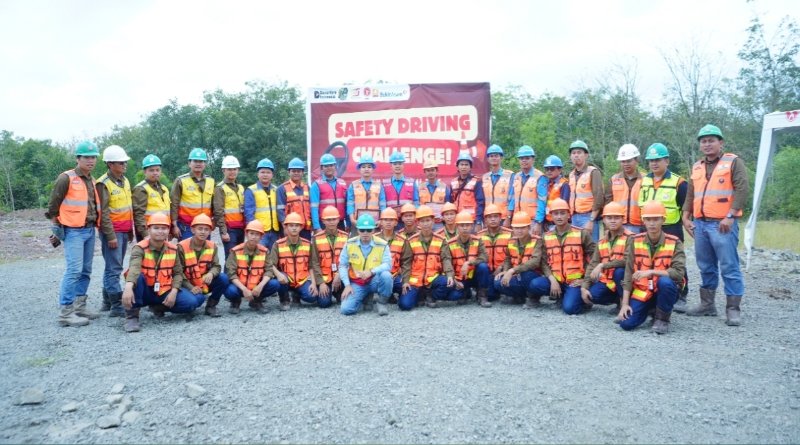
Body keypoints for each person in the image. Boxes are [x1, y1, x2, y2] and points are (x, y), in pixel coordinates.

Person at [683, 125, 748, 326]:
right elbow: (691, 195)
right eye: (703, 141)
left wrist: (730, 216)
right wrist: (686, 217)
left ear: (721, 142)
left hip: (723, 224)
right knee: (705, 266)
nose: (707, 144)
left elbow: (742, 189)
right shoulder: (697, 166)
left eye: (711, 140)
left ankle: (733, 309)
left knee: (729, 265)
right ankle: (707, 305)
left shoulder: (733, 162)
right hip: (700, 224)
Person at [46, 141, 102, 327]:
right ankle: (66, 313)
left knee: (85, 271)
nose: (90, 160)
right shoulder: (66, 178)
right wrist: (56, 229)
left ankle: (80, 307)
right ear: (78, 159)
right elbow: (53, 206)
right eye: (86, 157)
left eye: (93, 157)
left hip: (89, 230)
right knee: (73, 271)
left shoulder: (92, 181)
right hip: (73, 231)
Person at [121, 214, 205, 332]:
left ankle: (159, 308)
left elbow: (178, 273)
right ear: (149, 229)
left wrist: (174, 292)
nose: (160, 231)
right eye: (156, 228)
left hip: (163, 291)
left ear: (168, 231)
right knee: (138, 277)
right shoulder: (139, 248)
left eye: (164, 228)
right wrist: (128, 287)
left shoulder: (173, 249)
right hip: (145, 291)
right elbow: (134, 268)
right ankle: (132, 317)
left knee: (194, 301)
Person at [618, 201, 686, 334]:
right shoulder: (634, 240)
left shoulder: (674, 242)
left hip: (665, 290)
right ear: (643, 221)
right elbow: (628, 273)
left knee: (665, 282)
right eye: (648, 219)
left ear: (663, 220)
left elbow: (678, 273)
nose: (652, 223)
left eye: (656, 219)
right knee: (626, 324)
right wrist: (624, 304)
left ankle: (662, 319)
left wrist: (651, 271)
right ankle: (650, 310)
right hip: (643, 292)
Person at [639, 143, 690, 311]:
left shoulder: (679, 182)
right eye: (651, 160)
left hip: (671, 227)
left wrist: (686, 222)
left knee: (676, 262)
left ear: (667, 161)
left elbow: (687, 206)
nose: (654, 163)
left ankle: (681, 294)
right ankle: (649, 292)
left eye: (658, 160)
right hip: (648, 226)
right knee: (647, 260)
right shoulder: (644, 180)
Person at [529, 199, 596, 314]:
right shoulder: (546, 236)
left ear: (568, 215)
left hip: (574, 281)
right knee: (535, 284)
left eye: (562, 213)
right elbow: (543, 262)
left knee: (570, 309)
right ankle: (561, 296)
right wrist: (552, 279)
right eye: (556, 213)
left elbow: (595, 256)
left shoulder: (581, 233)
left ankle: (578, 300)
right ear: (551, 216)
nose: (559, 217)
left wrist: (585, 279)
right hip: (556, 280)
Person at [96, 145, 133, 317]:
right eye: (121, 162)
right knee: (114, 269)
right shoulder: (103, 184)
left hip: (123, 230)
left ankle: (107, 301)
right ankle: (116, 305)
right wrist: (110, 235)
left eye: (125, 161)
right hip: (113, 233)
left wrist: (130, 230)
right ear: (110, 164)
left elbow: (127, 207)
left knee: (112, 267)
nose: (125, 164)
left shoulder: (124, 180)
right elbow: (103, 212)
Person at [399, 205, 455, 310]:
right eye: (422, 221)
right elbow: (406, 263)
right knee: (405, 305)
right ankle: (420, 294)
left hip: (433, 278)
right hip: (415, 280)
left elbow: (446, 259)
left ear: (433, 221)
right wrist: (406, 281)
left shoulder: (441, 240)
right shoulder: (411, 240)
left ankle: (431, 296)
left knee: (448, 283)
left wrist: (450, 275)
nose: (425, 224)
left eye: (428, 220)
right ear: (418, 223)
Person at [580, 202, 633, 311]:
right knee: (592, 296)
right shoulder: (601, 241)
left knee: (619, 272)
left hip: (627, 280)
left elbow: (627, 261)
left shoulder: (630, 237)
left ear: (622, 219)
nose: (613, 221)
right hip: (609, 281)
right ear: (603, 220)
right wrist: (584, 287)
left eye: (616, 217)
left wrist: (603, 265)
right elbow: (592, 264)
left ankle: (625, 302)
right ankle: (617, 300)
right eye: (609, 218)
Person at [339, 214, 394, 316]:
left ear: (373, 230)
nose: (365, 233)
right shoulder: (349, 244)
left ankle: (382, 302)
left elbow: (388, 265)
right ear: (357, 230)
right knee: (346, 310)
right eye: (362, 230)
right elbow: (342, 265)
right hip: (357, 282)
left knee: (386, 276)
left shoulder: (382, 244)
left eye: (369, 230)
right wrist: (347, 285)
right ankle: (366, 297)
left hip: (374, 280)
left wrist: (371, 271)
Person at [271, 212, 328, 308]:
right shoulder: (278, 244)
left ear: (301, 227)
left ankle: (296, 295)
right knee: (279, 280)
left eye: (297, 225)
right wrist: (278, 275)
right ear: (286, 227)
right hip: (286, 279)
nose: (294, 228)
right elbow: (270, 264)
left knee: (312, 297)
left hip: (302, 280)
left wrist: (313, 283)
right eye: (291, 225)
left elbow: (311, 266)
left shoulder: (307, 244)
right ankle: (284, 299)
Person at [177, 214, 230, 317]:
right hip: (187, 284)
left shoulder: (212, 246)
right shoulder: (181, 247)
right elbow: (177, 272)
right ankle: (163, 307)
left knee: (223, 278)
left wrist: (211, 273)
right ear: (193, 230)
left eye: (206, 229)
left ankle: (211, 306)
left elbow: (217, 266)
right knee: (196, 301)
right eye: (200, 229)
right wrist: (191, 287)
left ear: (210, 232)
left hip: (204, 282)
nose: (203, 232)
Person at [224, 220, 281, 314]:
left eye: (257, 234)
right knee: (229, 290)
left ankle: (256, 301)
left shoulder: (265, 251)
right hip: (240, 287)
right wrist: (244, 289)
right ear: (246, 234)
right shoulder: (235, 251)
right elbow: (231, 273)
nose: (254, 237)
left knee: (274, 284)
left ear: (261, 237)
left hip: (256, 287)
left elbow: (269, 271)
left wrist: (260, 286)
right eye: (251, 233)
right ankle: (236, 301)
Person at [495, 211, 545, 306]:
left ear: (529, 228)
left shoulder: (537, 240)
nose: (519, 230)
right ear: (513, 229)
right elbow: (508, 258)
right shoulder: (511, 241)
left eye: (523, 227)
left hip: (532, 274)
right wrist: (505, 271)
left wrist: (512, 270)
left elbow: (535, 262)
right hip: (517, 274)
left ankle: (533, 297)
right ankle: (519, 296)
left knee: (527, 275)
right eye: (517, 228)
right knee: (498, 282)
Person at [447, 211, 492, 307]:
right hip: (460, 278)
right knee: (455, 296)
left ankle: (482, 296)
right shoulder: (449, 243)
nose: (465, 228)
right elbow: (447, 264)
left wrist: (469, 263)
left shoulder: (478, 240)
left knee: (483, 266)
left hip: (475, 276)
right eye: (462, 225)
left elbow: (485, 257)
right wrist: (454, 280)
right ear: (457, 226)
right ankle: (466, 292)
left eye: (467, 225)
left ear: (472, 226)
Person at [171, 148, 215, 240]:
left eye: (201, 161)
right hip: (186, 227)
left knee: (205, 253)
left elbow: (214, 204)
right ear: (189, 163)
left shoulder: (211, 181)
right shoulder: (181, 180)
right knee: (187, 253)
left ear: (205, 164)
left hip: (205, 226)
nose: (198, 164)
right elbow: (174, 204)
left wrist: (214, 221)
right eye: (195, 161)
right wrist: (174, 225)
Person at [310, 207, 348, 305]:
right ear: (323, 221)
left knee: (346, 300)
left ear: (338, 219)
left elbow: (349, 261)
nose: (331, 222)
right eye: (328, 220)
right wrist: (321, 283)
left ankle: (337, 293)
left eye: (334, 219)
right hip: (324, 278)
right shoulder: (316, 238)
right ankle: (328, 292)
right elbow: (314, 262)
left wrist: (339, 275)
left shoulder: (346, 237)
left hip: (340, 277)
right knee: (324, 304)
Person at [567, 140, 603, 241]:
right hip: (574, 217)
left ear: (586, 155)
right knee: (576, 249)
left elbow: (599, 197)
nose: (576, 155)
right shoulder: (571, 175)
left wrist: (591, 220)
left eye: (579, 152)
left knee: (590, 249)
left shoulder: (593, 172)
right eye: (573, 153)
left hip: (588, 216)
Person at [478, 204, 513, 303]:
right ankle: (483, 292)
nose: (493, 219)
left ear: (500, 218)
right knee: (491, 295)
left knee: (500, 284)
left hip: (503, 271)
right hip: (486, 272)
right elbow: (476, 257)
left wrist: (502, 267)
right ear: (485, 220)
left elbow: (514, 256)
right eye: (490, 217)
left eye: (495, 216)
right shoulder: (479, 236)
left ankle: (512, 293)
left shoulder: (510, 234)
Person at [244, 158, 281, 249]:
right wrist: (253, 231)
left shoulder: (276, 190)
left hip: (275, 231)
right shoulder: (251, 190)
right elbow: (249, 213)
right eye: (262, 172)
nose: (265, 175)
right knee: (259, 257)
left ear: (272, 175)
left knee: (274, 258)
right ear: (258, 174)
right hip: (259, 232)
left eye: (268, 172)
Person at [213, 155, 245, 260]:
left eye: (234, 169)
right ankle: (228, 277)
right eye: (229, 169)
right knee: (231, 258)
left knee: (239, 257)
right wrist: (223, 232)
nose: (232, 172)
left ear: (238, 170)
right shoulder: (220, 188)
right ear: (223, 170)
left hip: (241, 228)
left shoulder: (240, 188)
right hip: (229, 230)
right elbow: (218, 212)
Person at [132, 154, 170, 242]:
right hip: (149, 232)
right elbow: (138, 214)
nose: (155, 172)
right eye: (151, 170)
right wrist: (145, 234)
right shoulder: (141, 189)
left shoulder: (164, 188)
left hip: (162, 230)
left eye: (157, 170)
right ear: (145, 172)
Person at [607, 144, 643, 233]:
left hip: (640, 225)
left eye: (629, 161)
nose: (626, 164)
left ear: (636, 160)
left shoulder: (646, 179)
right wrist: (607, 227)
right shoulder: (614, 179)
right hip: (619, 225)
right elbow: (607, 204)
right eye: (623, 161)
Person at [346, 154, 386, 235]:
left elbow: (383, 205)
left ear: (373, 169)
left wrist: (381, 219)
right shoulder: (353, 185)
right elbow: (350, 204)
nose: (366, 169)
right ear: (359, 169)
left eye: (369, 167)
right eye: (363, 167)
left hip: (374, 223)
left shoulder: (379, 185)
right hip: (357, 222)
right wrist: (352, 219)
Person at [310, 153, 347, 232]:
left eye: (331, 165)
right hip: (323, 224)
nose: (329, 168)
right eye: (326, 166)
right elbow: (314, 208)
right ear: (321, 168)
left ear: (335, 166)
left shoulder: (342, 183)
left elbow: (346, 206)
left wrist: (348, 224)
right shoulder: (316, 185)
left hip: (340, 223)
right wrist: (317, 227)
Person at [533, 155, 570, 236]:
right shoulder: (546, 184)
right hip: (547, 223)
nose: (549, 171)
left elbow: (564, 207)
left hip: (558, 224)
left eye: (552, 169)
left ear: (560, 169)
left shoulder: (564, 184)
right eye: (547, 169)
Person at [277, 157, 312, 239]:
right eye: (293, 171)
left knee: (305, 251)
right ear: (289, 172)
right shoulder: (282, 189)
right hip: (290, 229)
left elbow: (311, 208)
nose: (296, 173)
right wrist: (285, 228)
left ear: (303, 172)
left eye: (299, 171)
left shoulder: (308, 188)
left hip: (306, 229)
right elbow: (280, 211)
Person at [375, 207, 405, 302]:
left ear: (396, 222)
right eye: (385, 220)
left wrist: (402, 271)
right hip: (377, 275)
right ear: (381, 222)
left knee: (405, 287)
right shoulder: (373, 239)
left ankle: (390, 294)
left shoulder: (402, 240)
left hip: (396, 275)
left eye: (391, 220)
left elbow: (406, 261)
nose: (388, 222)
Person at [510, 145, 543, 232]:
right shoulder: (516, 176)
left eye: (527, 158)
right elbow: (513, 199)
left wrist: (538, 222)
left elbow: (542, 201)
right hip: (518, 219)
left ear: (533, 159)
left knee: (533, 245)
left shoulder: (540, 177)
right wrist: (509, 216)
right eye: (521, 158)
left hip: (532, 221)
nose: (524, 160)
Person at [383, 151, 419, 229]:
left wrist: (413, 217)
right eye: (395, 164)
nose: (397, 166)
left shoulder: (412, 182)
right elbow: (382, 204)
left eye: (400, 163)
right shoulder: (384, 184)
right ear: (391, 166)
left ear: (403, 165)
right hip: (391, 221)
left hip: (407, 221)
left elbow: (416, 202)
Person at [450, 152, 485, 229]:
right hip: (457, 220)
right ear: (457, 166)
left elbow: (480, 203)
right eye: (461, 164)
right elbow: (451, 202)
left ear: (470, 167)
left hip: (472, 220)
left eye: (466, 165)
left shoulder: (477, 181)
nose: (464, 167)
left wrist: (479, 221)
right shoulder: (453, 182)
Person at [482, 144, 514, 227]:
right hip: (489, 217)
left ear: (501, 158)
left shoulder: (510, 175)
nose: (494, 158)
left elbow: (512, 199)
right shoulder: (485, 177)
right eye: (491, 156)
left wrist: (508, 218)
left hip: (503, 217)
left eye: (496, 156)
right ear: (488, 159)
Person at [417, 158, 450, 230]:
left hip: (439, 223)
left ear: (436, 171)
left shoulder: (444, 187)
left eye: (432, 170)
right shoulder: (419, 187)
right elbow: (416, 204)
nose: (430, 172)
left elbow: (448, 206)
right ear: (424, 172)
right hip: (424, 222)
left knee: (438, 241)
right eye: (428, 170)